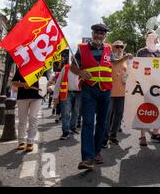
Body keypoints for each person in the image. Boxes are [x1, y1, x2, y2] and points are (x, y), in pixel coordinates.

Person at [70, 23, 130, 170]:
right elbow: (72, 66)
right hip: (88, 89)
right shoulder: (82, 48)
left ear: (105, 36)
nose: (99, 35)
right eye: (96, 32)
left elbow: (112, 62)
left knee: (102, 123)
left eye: (102, 33)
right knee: (88, 122)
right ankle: (87, 158)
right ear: (92, 33)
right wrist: (80, 72)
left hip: (105, 90)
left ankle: (97, 152)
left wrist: (124, 59)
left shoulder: (108, 48)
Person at [136, 30, 160, 146]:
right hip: (145, 85)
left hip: (158, 85)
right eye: (149, 37)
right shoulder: (141, 52)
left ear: (156, 38)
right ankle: (142, 136)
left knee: (159, 109)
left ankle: (155, 133)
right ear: (146, 38)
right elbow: (137, 67)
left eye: (153, 37)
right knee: (145, 109)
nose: (152, 39)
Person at [103, 40, 131, 146]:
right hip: (109, 92)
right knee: (107, 116)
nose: (119, 49)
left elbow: (130, 73)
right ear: (112, 48)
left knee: (118, 115)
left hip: (122, 92)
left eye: (121, 47)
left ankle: (113, 136)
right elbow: (114, 63)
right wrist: (124, 58)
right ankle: (104, 138)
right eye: (117, 46)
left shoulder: (125, 61)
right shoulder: (109, 57)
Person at [12, 69, 47, 152]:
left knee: (33, 118)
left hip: (37, 97)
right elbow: (14, 82)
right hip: (22, 97)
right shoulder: (21, 67)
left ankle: (30, 142)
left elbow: (45, 81)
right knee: (22, 120)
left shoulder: (42, 67)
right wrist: (24, 84)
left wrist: (45, 86)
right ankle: (21, 142)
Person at [53, 56, 81, 140]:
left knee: (76, 112)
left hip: (79, 93)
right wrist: (55, 96)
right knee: (65, 112)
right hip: (67, 93)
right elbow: (58, 82)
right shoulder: (66, 68)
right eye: (74, 59)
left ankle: (73, 127)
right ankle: (65, 131)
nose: (76, 60)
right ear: (71, 59)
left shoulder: (82, 68)